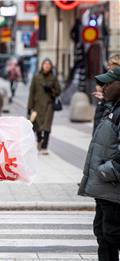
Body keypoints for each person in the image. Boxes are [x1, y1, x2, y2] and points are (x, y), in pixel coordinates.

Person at [78, 66, 120, 261]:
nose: (102, 88)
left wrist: (106, 171)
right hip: (104, 190)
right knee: (103, 235)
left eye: (108, 84)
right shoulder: (111, 108)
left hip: (113, 188)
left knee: (112, 234)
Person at [27, 58, 61, 155]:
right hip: (37, 106)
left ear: (51, 67)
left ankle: (45, 146)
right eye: (45, 64)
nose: (46, 66)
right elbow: (31, 93)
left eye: (48, 64)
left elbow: (58, 91)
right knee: (37, 125)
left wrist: (51, 90)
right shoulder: (36, 77)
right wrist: (29, 107)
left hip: (49, 106)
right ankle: (39, 141)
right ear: (42, 65)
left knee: (47, 126)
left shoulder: (53, 78)